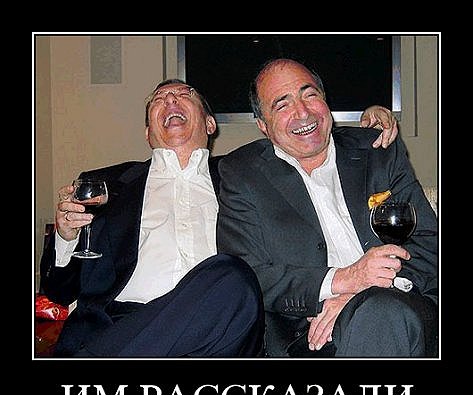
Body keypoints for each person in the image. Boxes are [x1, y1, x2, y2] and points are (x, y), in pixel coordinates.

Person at [40, 78, 399, 358]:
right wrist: (66, 238)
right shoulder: (106, 185)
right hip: (120, 326)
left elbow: (299, 135)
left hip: (225, 334)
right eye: (158, 100)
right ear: (147, 132)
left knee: (232, 274)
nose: (171, 100)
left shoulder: (245, 176)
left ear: (210, 124)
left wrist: (367, 128)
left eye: (184, 95)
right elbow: (57, 292)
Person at [216, 59, 438, 358]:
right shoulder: (242, 173)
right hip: (311, 333)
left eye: (309, 95)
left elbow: (428, 243)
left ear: (325, 100)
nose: (302, 112)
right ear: (263, 126)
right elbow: (248, 274)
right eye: (282, 105)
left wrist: (366, 293)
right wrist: (345, 279)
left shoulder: (377, 151)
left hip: (402, 307)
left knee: (380, 314)